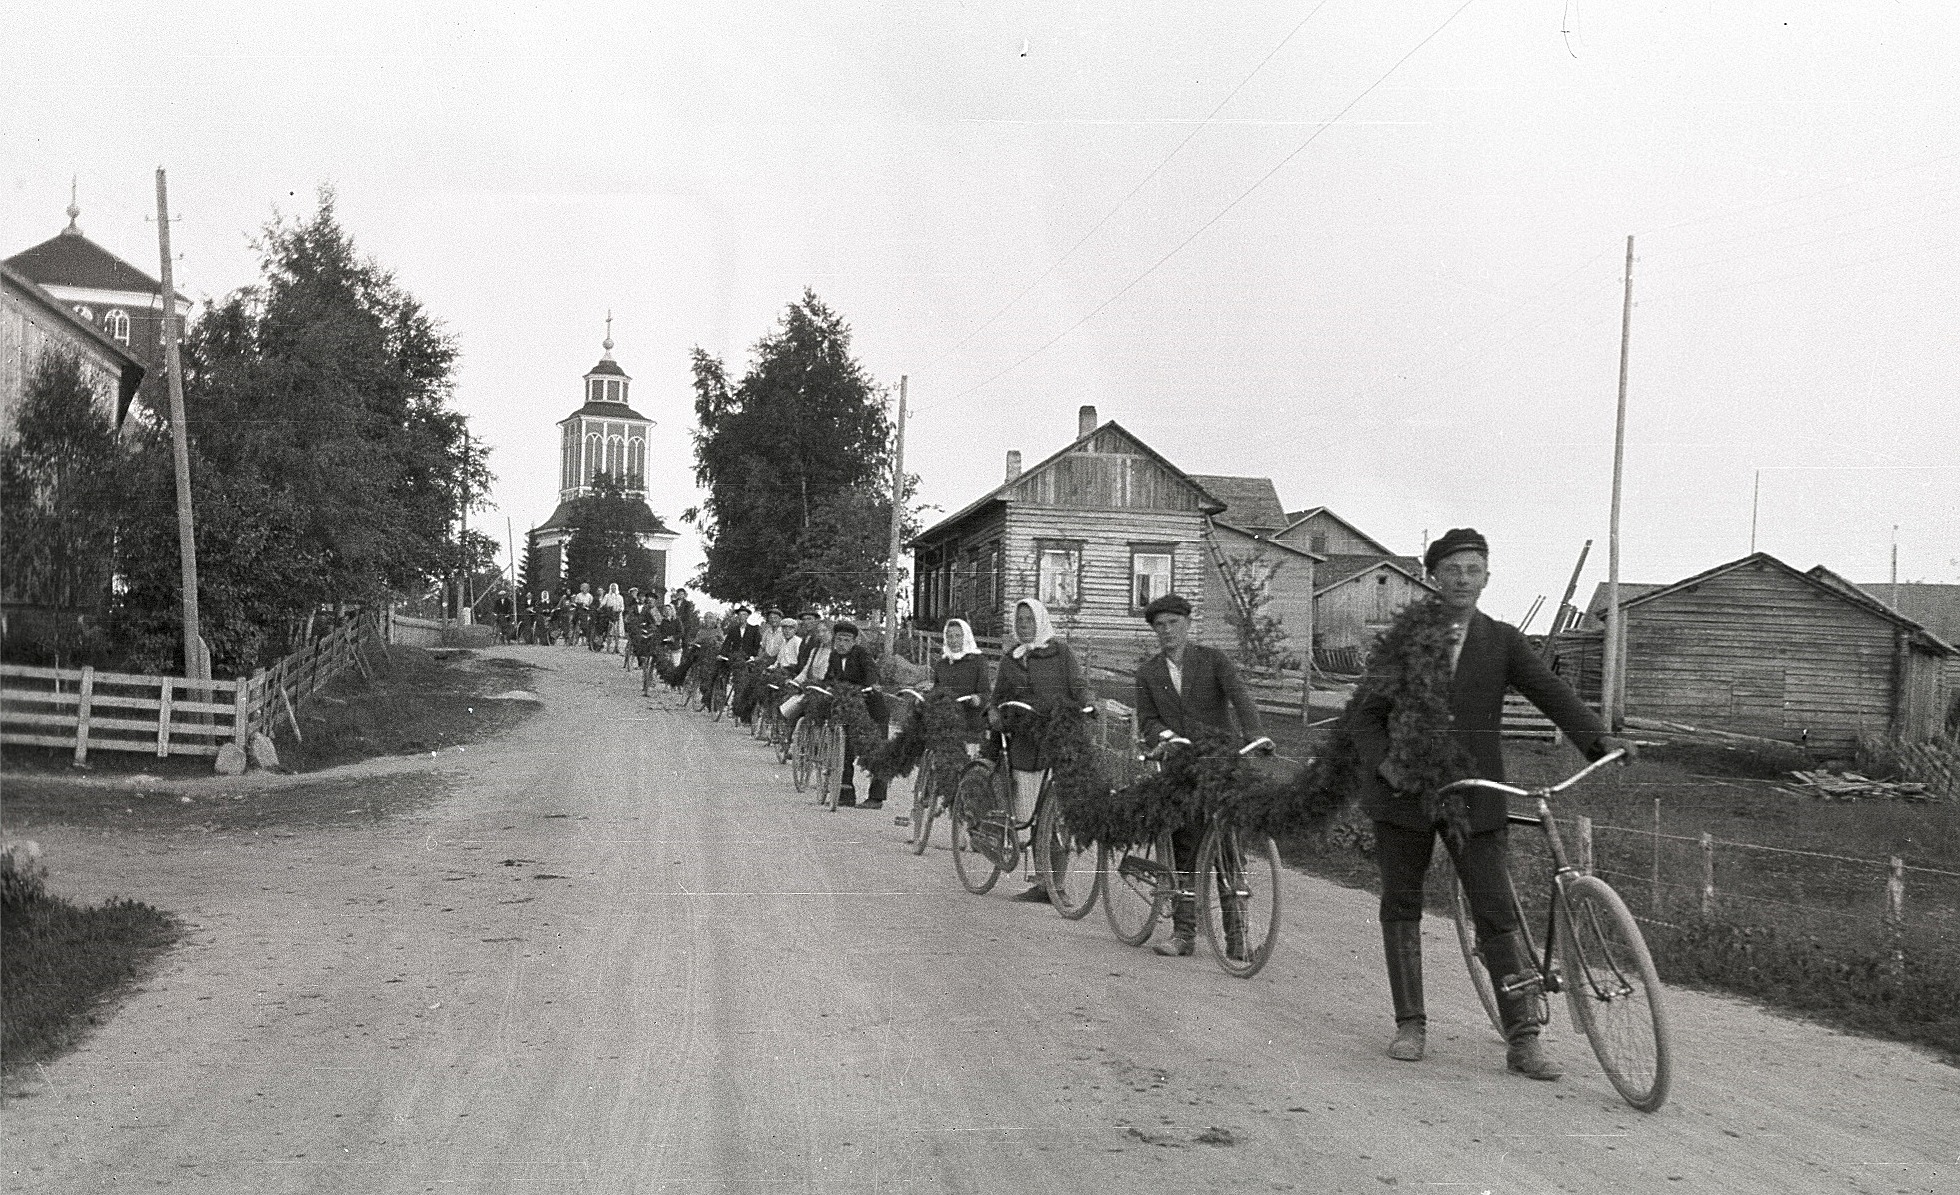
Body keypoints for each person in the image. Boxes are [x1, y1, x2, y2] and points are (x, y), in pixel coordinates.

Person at [1349, 527, 1637, 1079]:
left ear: (1487, 577)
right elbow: (1364, 717)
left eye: (1473, 569)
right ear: (1433, 577)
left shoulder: (1501, 641)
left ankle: (1523, 1038)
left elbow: (1550, 694)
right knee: (1402, 904)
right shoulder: (1404, 643)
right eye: (1452, 569)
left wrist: (1598, 739)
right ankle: (1410, 1023)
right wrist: (1387, 766)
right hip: (1406, 795)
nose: (1463, 579)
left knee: (1496, 912)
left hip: (1477, 796)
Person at [1132, 593, 1274, 957]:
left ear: (1187, 624)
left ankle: (1238, 940)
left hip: (1220, 762)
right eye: (1159, 626)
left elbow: (1240, 698)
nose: (1167, 631)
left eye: (1173, 624)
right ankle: (1184, 934)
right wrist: (1164, 737)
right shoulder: (1148, 672)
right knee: (1185, 848)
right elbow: (1147, 719)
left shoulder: (1213, 661)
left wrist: (1255, 733)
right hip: (1181, 766)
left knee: (1230, 848)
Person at [988, 598, 1094, 902]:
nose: (1023, 625)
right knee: (1034, 815)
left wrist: (1087, 704)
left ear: (1040, 621)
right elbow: (998, 696)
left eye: (1029, 620)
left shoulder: (1060, 652)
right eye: (1019, 620)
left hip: (1057, 741)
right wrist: (993, 711)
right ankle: (1042, 884)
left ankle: (1056, 885)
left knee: (1058, 817)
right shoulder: (1011, 659)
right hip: (1025, 743)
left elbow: (1078, 684)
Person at [790, 620, 888, 808]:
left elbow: (871, 672)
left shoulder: (862, 654)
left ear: (854, 641)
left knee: (875, 750)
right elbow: (829, 677)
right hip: (849, 706)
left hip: (871, 707)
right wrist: (824, 687)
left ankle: (876, 798)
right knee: (845, 749)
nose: (842, 643)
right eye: (839, 639)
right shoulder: (834, 656)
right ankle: (845, 795)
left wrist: (871, 685)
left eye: (846, 640)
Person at [933, 618, 990, 740]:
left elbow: (986, 694)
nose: (953, 640)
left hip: (971, 724)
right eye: (949, 636)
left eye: (957, 636)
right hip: (945, 724)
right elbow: (936, 692)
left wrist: (978, 699)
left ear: (966, 637)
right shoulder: (941, 664)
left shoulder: (978, 662)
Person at [599, 583, 626, 654]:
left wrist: (620, 610)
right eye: (612, 588)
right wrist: (603, 607)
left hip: (617, 615)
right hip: (609, 614)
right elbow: (603, 603)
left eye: (615, 588)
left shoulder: (620, 597)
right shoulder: (607, 596)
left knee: (617, 632)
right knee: (609, 631)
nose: (613, 589)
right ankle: (608, 647)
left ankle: (616, 647)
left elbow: (622, 606)